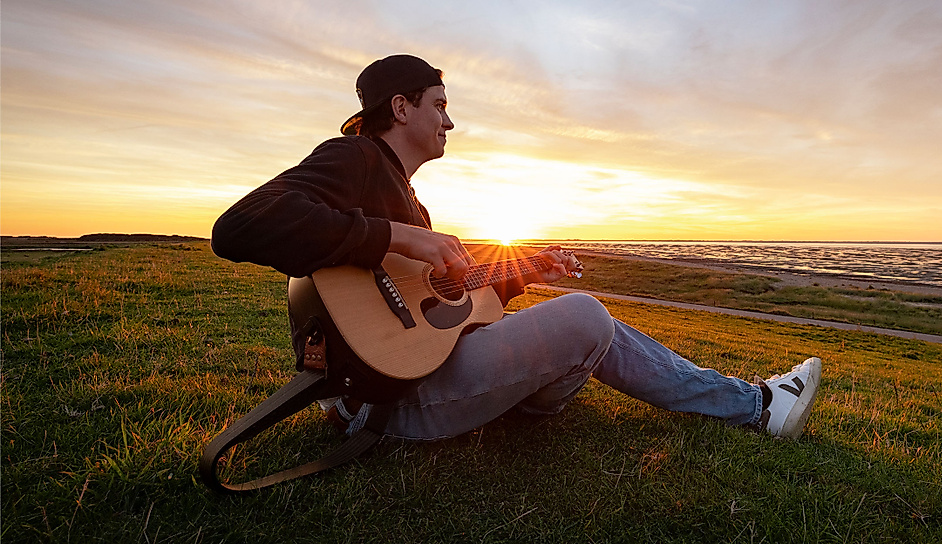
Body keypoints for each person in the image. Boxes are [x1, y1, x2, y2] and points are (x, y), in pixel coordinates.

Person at [211, 54, 822, 441]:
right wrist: (403, 236)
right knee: (586, 317)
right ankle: (758, 408)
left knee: (589, 320)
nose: (449, 123)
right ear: (400, 107)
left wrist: (520, 275)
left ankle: (757, 402)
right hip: (383, 400)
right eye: (440, 107)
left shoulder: (404, 192)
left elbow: (439, 314)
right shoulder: (354, 157)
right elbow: (240, 227)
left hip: (411, 379)